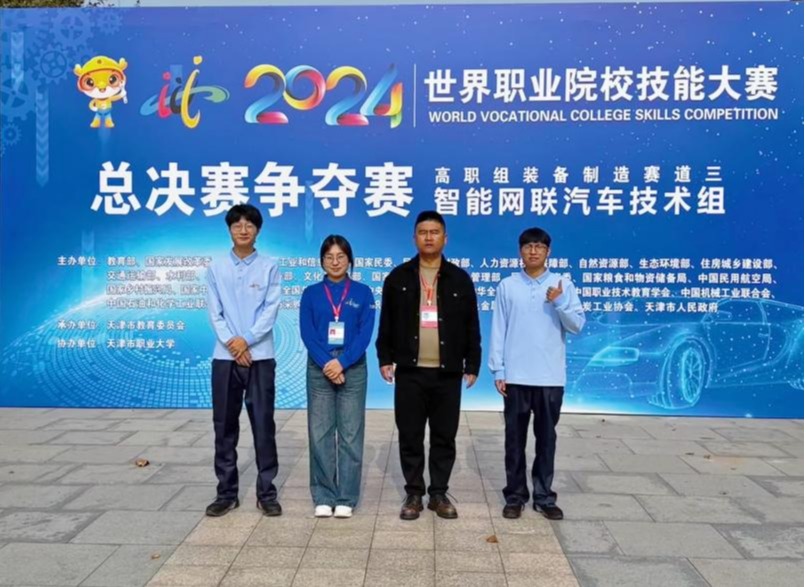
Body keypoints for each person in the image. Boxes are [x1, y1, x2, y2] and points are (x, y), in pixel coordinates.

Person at [376, 210, 481, 520]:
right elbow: (386, 322)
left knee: (444, 435)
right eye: (423, 232)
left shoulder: (460, 278)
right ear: (414, 238)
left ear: (445, 238)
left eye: (435, 232)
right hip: (410, 371)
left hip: (448, 371)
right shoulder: (398, 277)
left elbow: (472, 325)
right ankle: (413, 493)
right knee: (409, 434)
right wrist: (385, 358)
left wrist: (472, 363)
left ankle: (438, 493)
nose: (429, 237)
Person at [489, 227, 585, 520]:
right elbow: (498, 328)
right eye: (528, 246)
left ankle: (544, 496)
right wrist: (499, 369)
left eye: (539, 246)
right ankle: (515, 495)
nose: (533, 251)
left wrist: (559, 302)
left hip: (549, 377)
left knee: (546, 440)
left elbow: (577, 325)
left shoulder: (562, 284)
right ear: (520, 251)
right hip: (516, 376)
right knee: (514, 440)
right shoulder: (508, 285)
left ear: (548, 251)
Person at [204, 204, 282, 517]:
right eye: (237, 225)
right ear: (229, 229)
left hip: (260, 356)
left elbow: (270, 310)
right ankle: (226, 493)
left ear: (258, 230)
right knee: (224, 426)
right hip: (225, 358)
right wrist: (234, 345)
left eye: (249, 225)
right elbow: (215, 313)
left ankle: (267, 493)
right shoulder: (216, 267)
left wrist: (246, 340)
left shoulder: (269, 266)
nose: (243, 230)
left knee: (263, 425)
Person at [300, 235, 376, 519]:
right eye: (329, 257)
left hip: (352, 366)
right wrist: (328, 364)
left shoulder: (363, 293)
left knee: (351, 434)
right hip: (319, 367)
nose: (335, 262)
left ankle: (346, 497)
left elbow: (365, 334)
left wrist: (342, 363)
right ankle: (323, 495)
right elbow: (307, 333)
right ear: (321, 261)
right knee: (319, 433)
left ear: (350, 260)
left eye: (341, 257)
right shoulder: (310, 293)